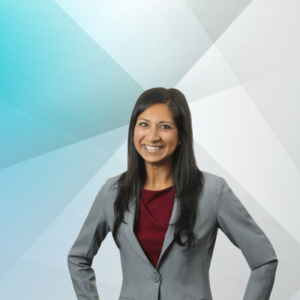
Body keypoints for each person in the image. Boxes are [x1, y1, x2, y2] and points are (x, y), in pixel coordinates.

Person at [67, 87, 278, 300]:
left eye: (165, 127)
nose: (152, 136)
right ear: (133, 131)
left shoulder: (213, 191)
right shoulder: (112, 192)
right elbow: (78, 259)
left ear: (180, 136)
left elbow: (264, 260)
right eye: (143, 124)